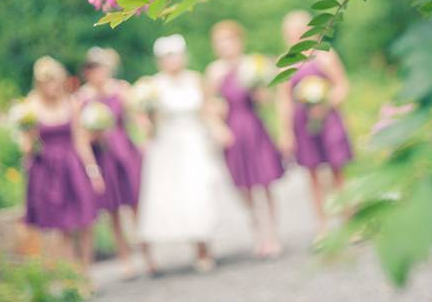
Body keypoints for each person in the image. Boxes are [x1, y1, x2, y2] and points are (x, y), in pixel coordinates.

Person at [137, 34, 232, 274]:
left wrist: (219, 129)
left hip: (194, 140)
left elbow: (206, 109)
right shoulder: (153, 86)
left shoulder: (195, 80)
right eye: (168, 57)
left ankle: (203, 247)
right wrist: (146, 126)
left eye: (176, 55)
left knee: (199, 190)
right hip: (167, 144)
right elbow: (145, 119)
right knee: (169, 194)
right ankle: (157, 255)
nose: (173, 61)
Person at [205, 20, 284, 258]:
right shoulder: (214, 71)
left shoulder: (252, 65)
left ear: (239, 41)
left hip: (254, 126)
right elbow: (208, 105)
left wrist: (260, 92)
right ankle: (257, 231)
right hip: (232, 132)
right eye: (220, 42)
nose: (225, 45)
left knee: (265, 182)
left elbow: (267, 100)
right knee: (243, 186)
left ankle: (272, 234)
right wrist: (218, 127)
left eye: (229, 40)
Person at [277, 11, 353, 239]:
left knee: (339, 174)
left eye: (299, 29)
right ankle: (323, 228)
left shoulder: (325, 56)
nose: (295, 34)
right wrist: (285, 132)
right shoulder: (285, 63)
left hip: (330, 121)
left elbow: (343, 86)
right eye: (290, 31)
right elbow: (283, 101)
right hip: (303, 125)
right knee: (313, 177)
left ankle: (350, 223)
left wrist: (326, 102)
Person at [21, 56, 103, 267]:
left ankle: (86, 271)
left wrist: (93, 171)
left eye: (54, 80)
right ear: (39, 83)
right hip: (48, 170)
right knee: (62, 226)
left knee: (86, 221)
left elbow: (81, 140)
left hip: (72, 166)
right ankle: (72, 278)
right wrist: (28, 136)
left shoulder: (71, 102)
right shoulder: (31, 107)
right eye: (45, 81)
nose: (51, 86)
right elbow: (27, 148)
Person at [76, 47, 143, 279]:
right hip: (103, 156)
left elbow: (136, 117)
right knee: (113, 211)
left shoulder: (121, 89)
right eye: (93, 68)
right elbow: (81, 139)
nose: (98, 73)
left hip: (125, 151)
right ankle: (125, 259)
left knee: (137, 204)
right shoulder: (82, 98)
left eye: (102, 67)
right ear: (87, 72)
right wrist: (93, 171)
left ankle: (146, 253)